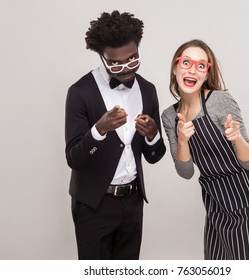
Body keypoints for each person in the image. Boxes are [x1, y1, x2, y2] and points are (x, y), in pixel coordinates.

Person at [65, 10, 166, 260]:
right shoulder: (80, 92)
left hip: (132, 203)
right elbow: (74, 158)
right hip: (93, 205)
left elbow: (154, 156)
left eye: (132, 59)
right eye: (116, 63)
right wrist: (99, 129)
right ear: (102, 57)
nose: (126, 69)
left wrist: (153, 135)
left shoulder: (147, 90)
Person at [162, 39, 249, 260]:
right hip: (216, 197)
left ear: (205, 74)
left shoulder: (219, 101)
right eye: (186, 62)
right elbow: (186, 172)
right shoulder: (169, 116)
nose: (193, 69)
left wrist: (238, 138)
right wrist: (182, 140)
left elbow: (248, 162)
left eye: (201, 65)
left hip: (248, 192)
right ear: (175, 68)